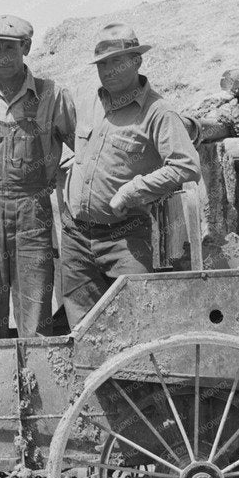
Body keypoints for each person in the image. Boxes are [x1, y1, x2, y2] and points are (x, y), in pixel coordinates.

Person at [60, 23, 201, 329]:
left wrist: (133, 190)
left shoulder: (157, 112)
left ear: (137, 60)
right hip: (76, 238)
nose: (108, 70)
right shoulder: (85, 101)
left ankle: (135, 379)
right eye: (102, 63)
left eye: (117, 61)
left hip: (124, 236)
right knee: (84, 332)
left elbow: (186, 165)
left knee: (137, 322)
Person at [0, 15, 75, 338]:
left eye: (10, 48)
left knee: (35, 300)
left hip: (32, 212)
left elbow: (83, 145)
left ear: (25, 47)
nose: (3, 56)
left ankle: (36, 381)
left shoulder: (52, 95)